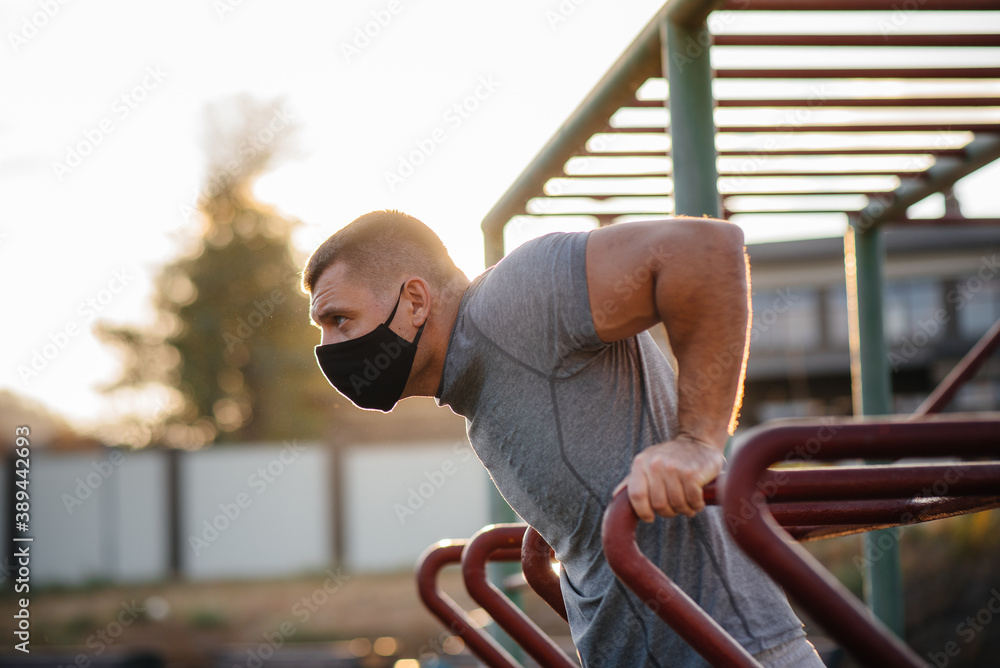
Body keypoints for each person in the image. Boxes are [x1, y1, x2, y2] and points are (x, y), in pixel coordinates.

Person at [302, 209, 824, 667]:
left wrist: (697, 441)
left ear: (414, 300)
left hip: (733, 653)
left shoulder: (514, 298)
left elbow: (704, 250)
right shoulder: (473, 392)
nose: (329, 349)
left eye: (339, 319)